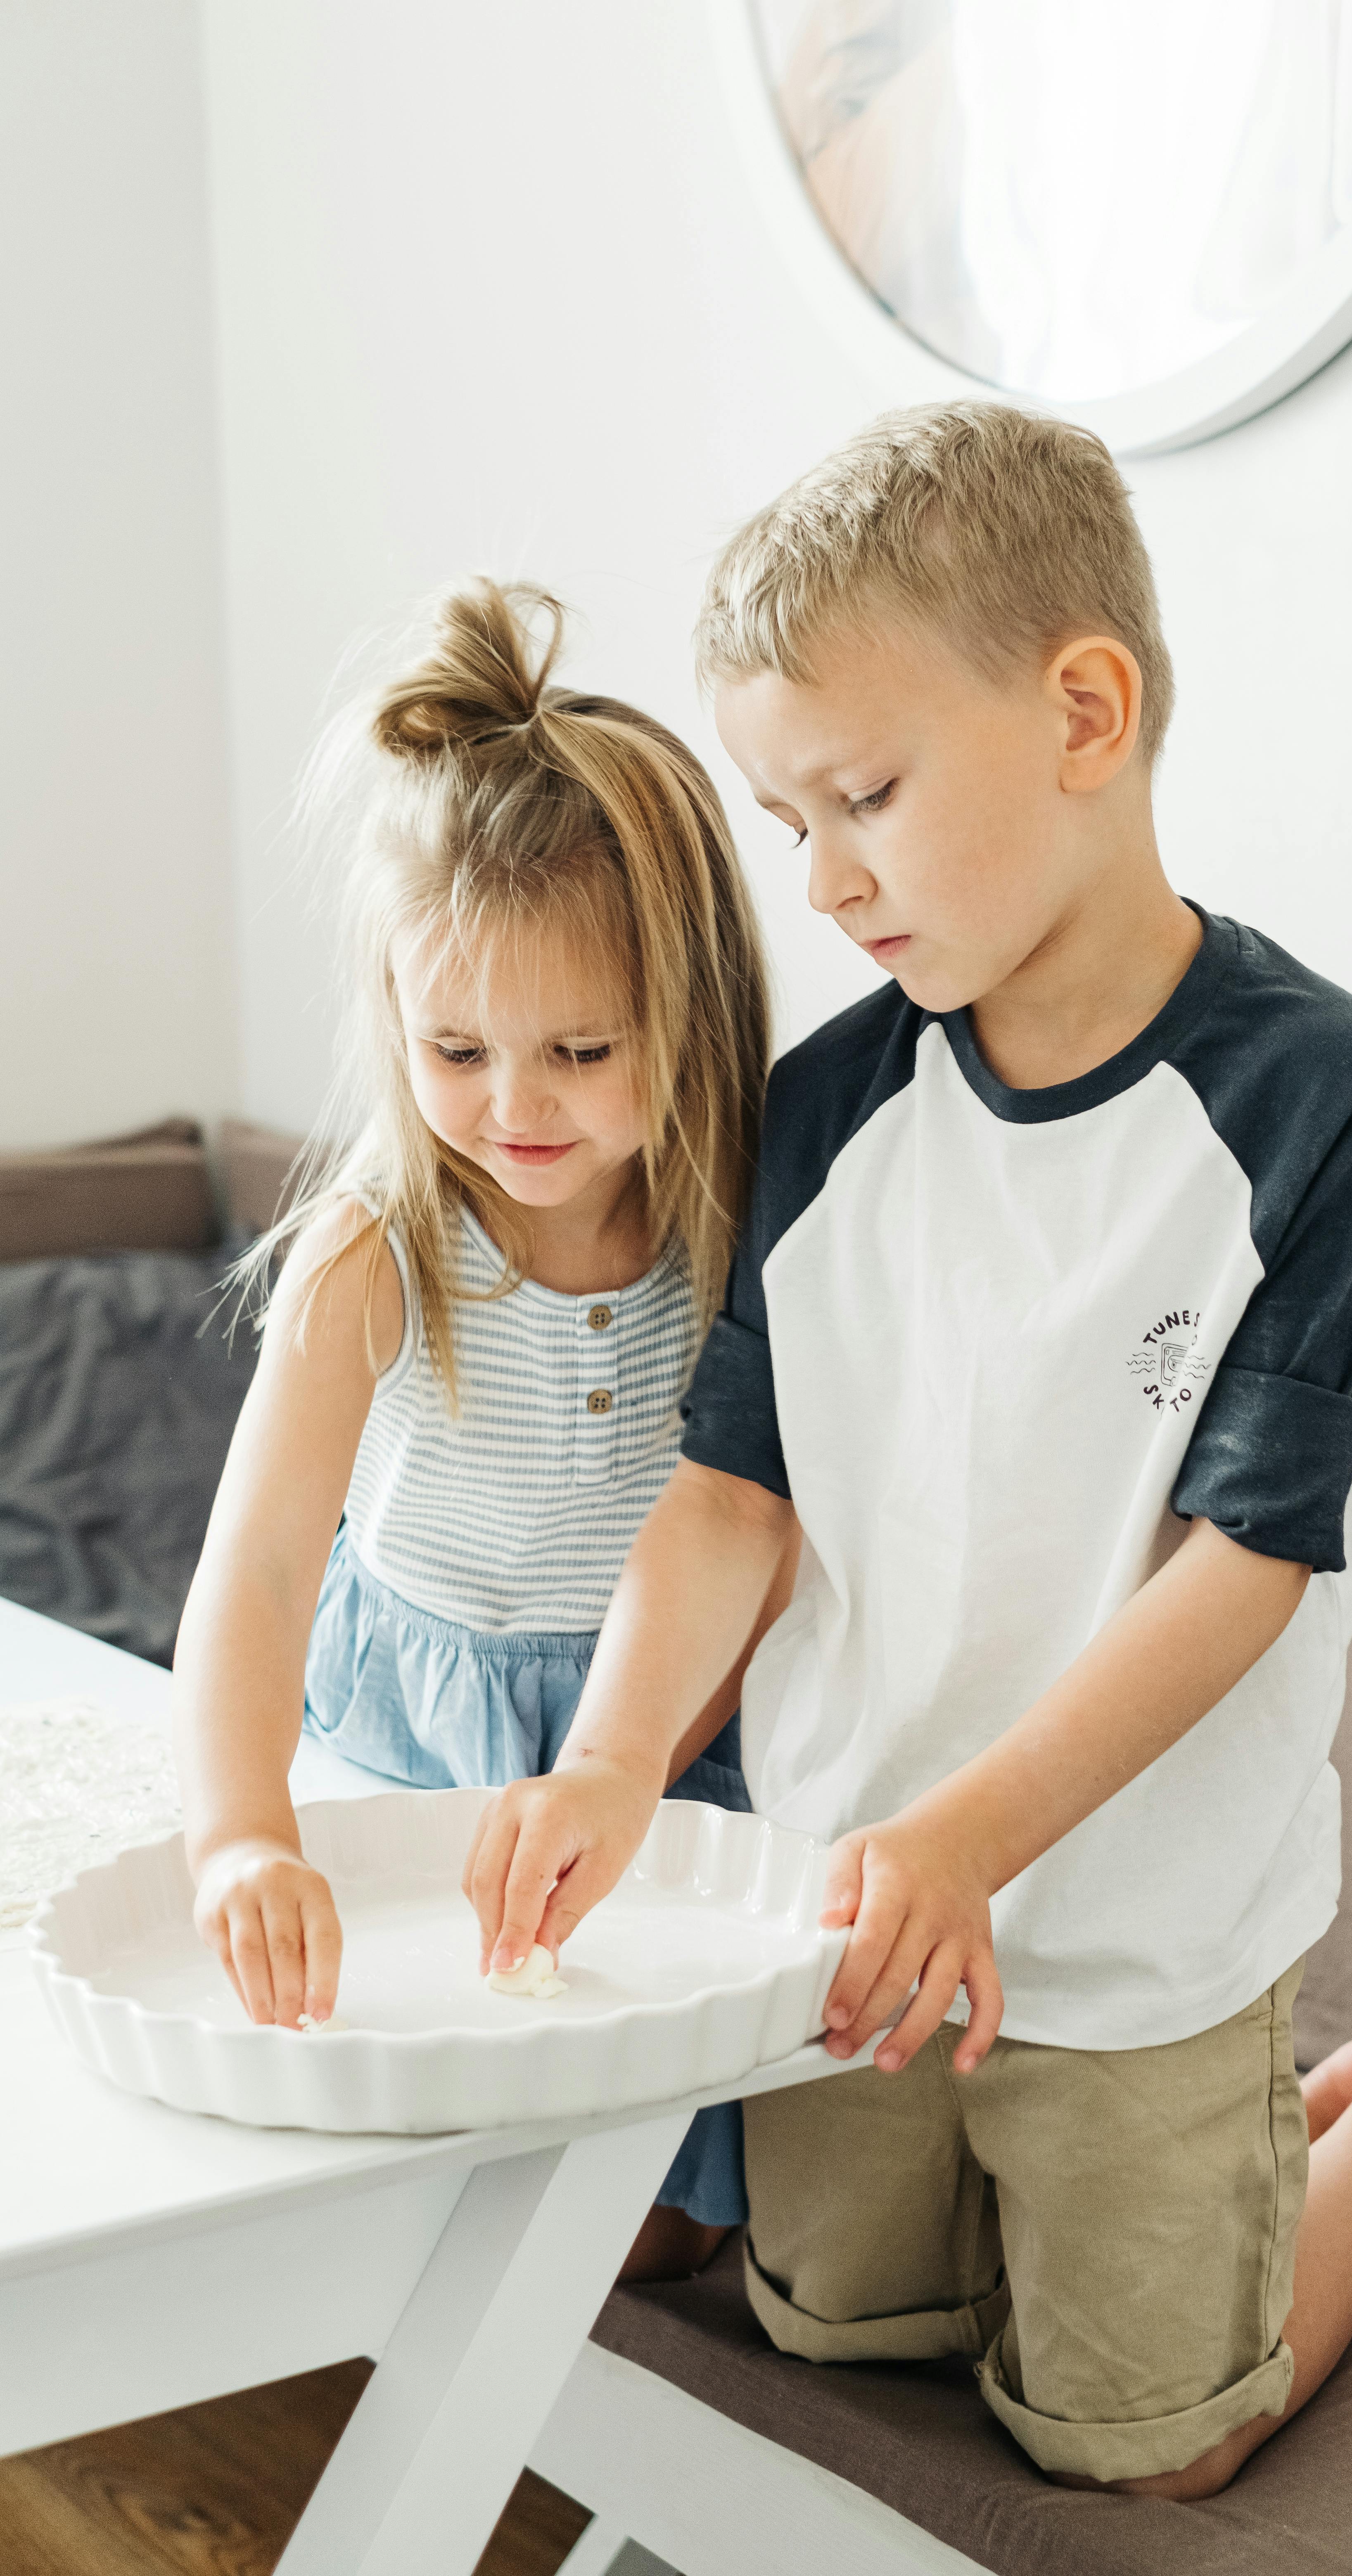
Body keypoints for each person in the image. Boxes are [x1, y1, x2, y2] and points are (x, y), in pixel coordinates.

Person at [460, 405, 1352, 2494]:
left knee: (1148, 2449)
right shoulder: (822, 1113)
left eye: (862, 793)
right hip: (845, 1910)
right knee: (844, 2338)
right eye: (791, 818)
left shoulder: (1318, 1105)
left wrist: (970, 1840)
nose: (822, 876)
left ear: (1082, 709)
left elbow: (1245, 1561)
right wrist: (612, 1755)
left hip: (1133, 1936)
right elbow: (728, 1492)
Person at [173, 578, 788, 2278]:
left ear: (690, 1012)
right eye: (454, 1048)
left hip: (664, 1738)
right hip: (421, 1739)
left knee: (655, 2224)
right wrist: (238, 1834)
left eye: (579, 1050)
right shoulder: (378, 1251)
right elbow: (262, 1562)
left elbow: (771, 1530)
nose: (513, 1108)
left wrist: (654, 1761)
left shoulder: (738, 1229)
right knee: (452, 2159)